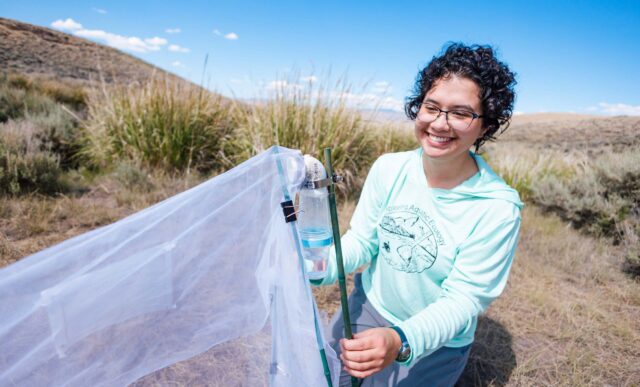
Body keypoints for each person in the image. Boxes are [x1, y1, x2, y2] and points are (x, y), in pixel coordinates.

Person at [312, 43, 522, 386]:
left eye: (461, 113)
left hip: (435, 342)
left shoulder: (498, 209)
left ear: (485, 126)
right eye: (432, 107)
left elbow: (461, 301)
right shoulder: (389, 168)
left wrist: (399, 340)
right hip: (368, 306)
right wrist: (319, 266)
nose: (440, 123)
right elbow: (363, 242)